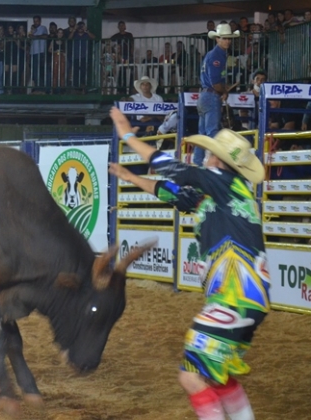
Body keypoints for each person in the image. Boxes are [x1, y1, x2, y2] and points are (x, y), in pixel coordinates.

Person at [109, 106, 269, 420]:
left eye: (208, 154)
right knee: (217, 376)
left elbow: (173, 169)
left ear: (218, 162)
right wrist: (131, 177)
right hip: (249, 298)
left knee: (191, 376)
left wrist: (128, 135)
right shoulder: (226, 194)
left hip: (233, 297)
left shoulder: (222, 183)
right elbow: (175, 193)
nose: (203, 157)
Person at [195, 23, 240, 166]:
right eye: (224, 38)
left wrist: (222, 88)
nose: (227, 41)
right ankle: (214, 164)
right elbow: (215, 84)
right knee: (212, 131)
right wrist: (224, 90)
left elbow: (213, 81)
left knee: (203, 134)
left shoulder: (213, 54)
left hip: (204, 95)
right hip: (211, 96)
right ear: (217, 39)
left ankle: (198, 164)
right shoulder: (217, 56)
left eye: (229, 38)